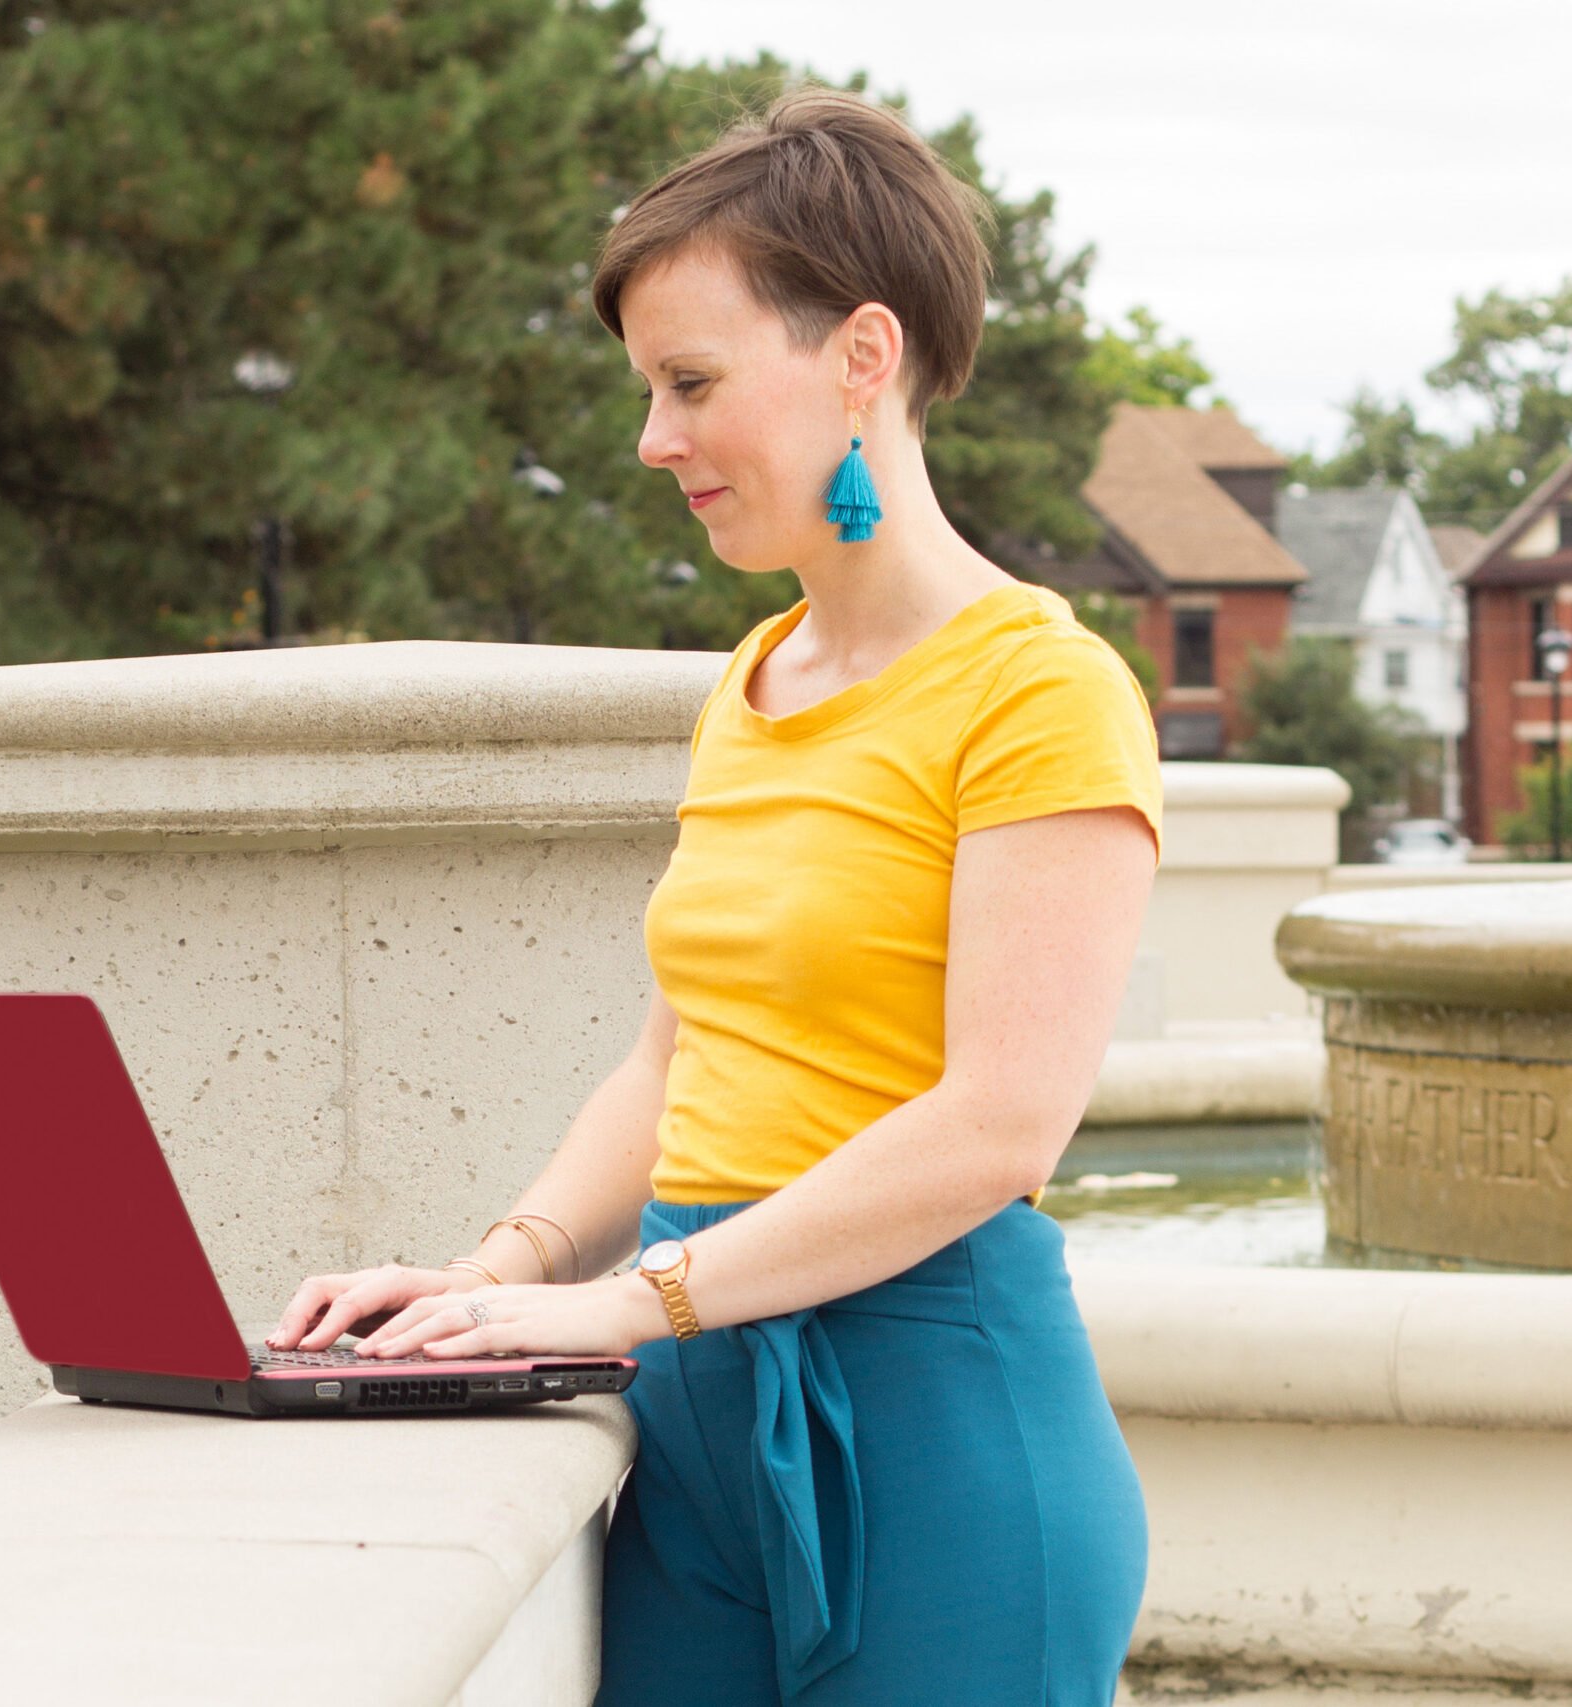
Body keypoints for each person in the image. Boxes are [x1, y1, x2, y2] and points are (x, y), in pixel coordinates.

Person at [267, 85, 1162, 1706]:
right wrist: (508, 1272)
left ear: (862, 358)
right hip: (689, 1426)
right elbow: (675, 1061)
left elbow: (998, 1127)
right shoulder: (755, 678)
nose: (652, 441)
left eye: (690, 383)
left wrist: (631, 1300)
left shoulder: (1044, 691)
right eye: (646, 391)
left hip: (939, 1439)